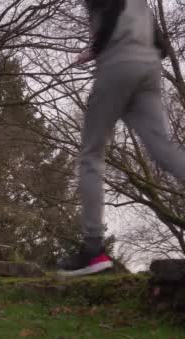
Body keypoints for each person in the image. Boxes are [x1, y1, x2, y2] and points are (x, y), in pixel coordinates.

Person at [58, 0, 181, 276]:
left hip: (118, 62)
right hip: (148, 66)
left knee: (91, 154)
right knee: (163, 149)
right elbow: (162, 44)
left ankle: (93, 250)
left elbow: (112, 9)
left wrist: (99, 48)